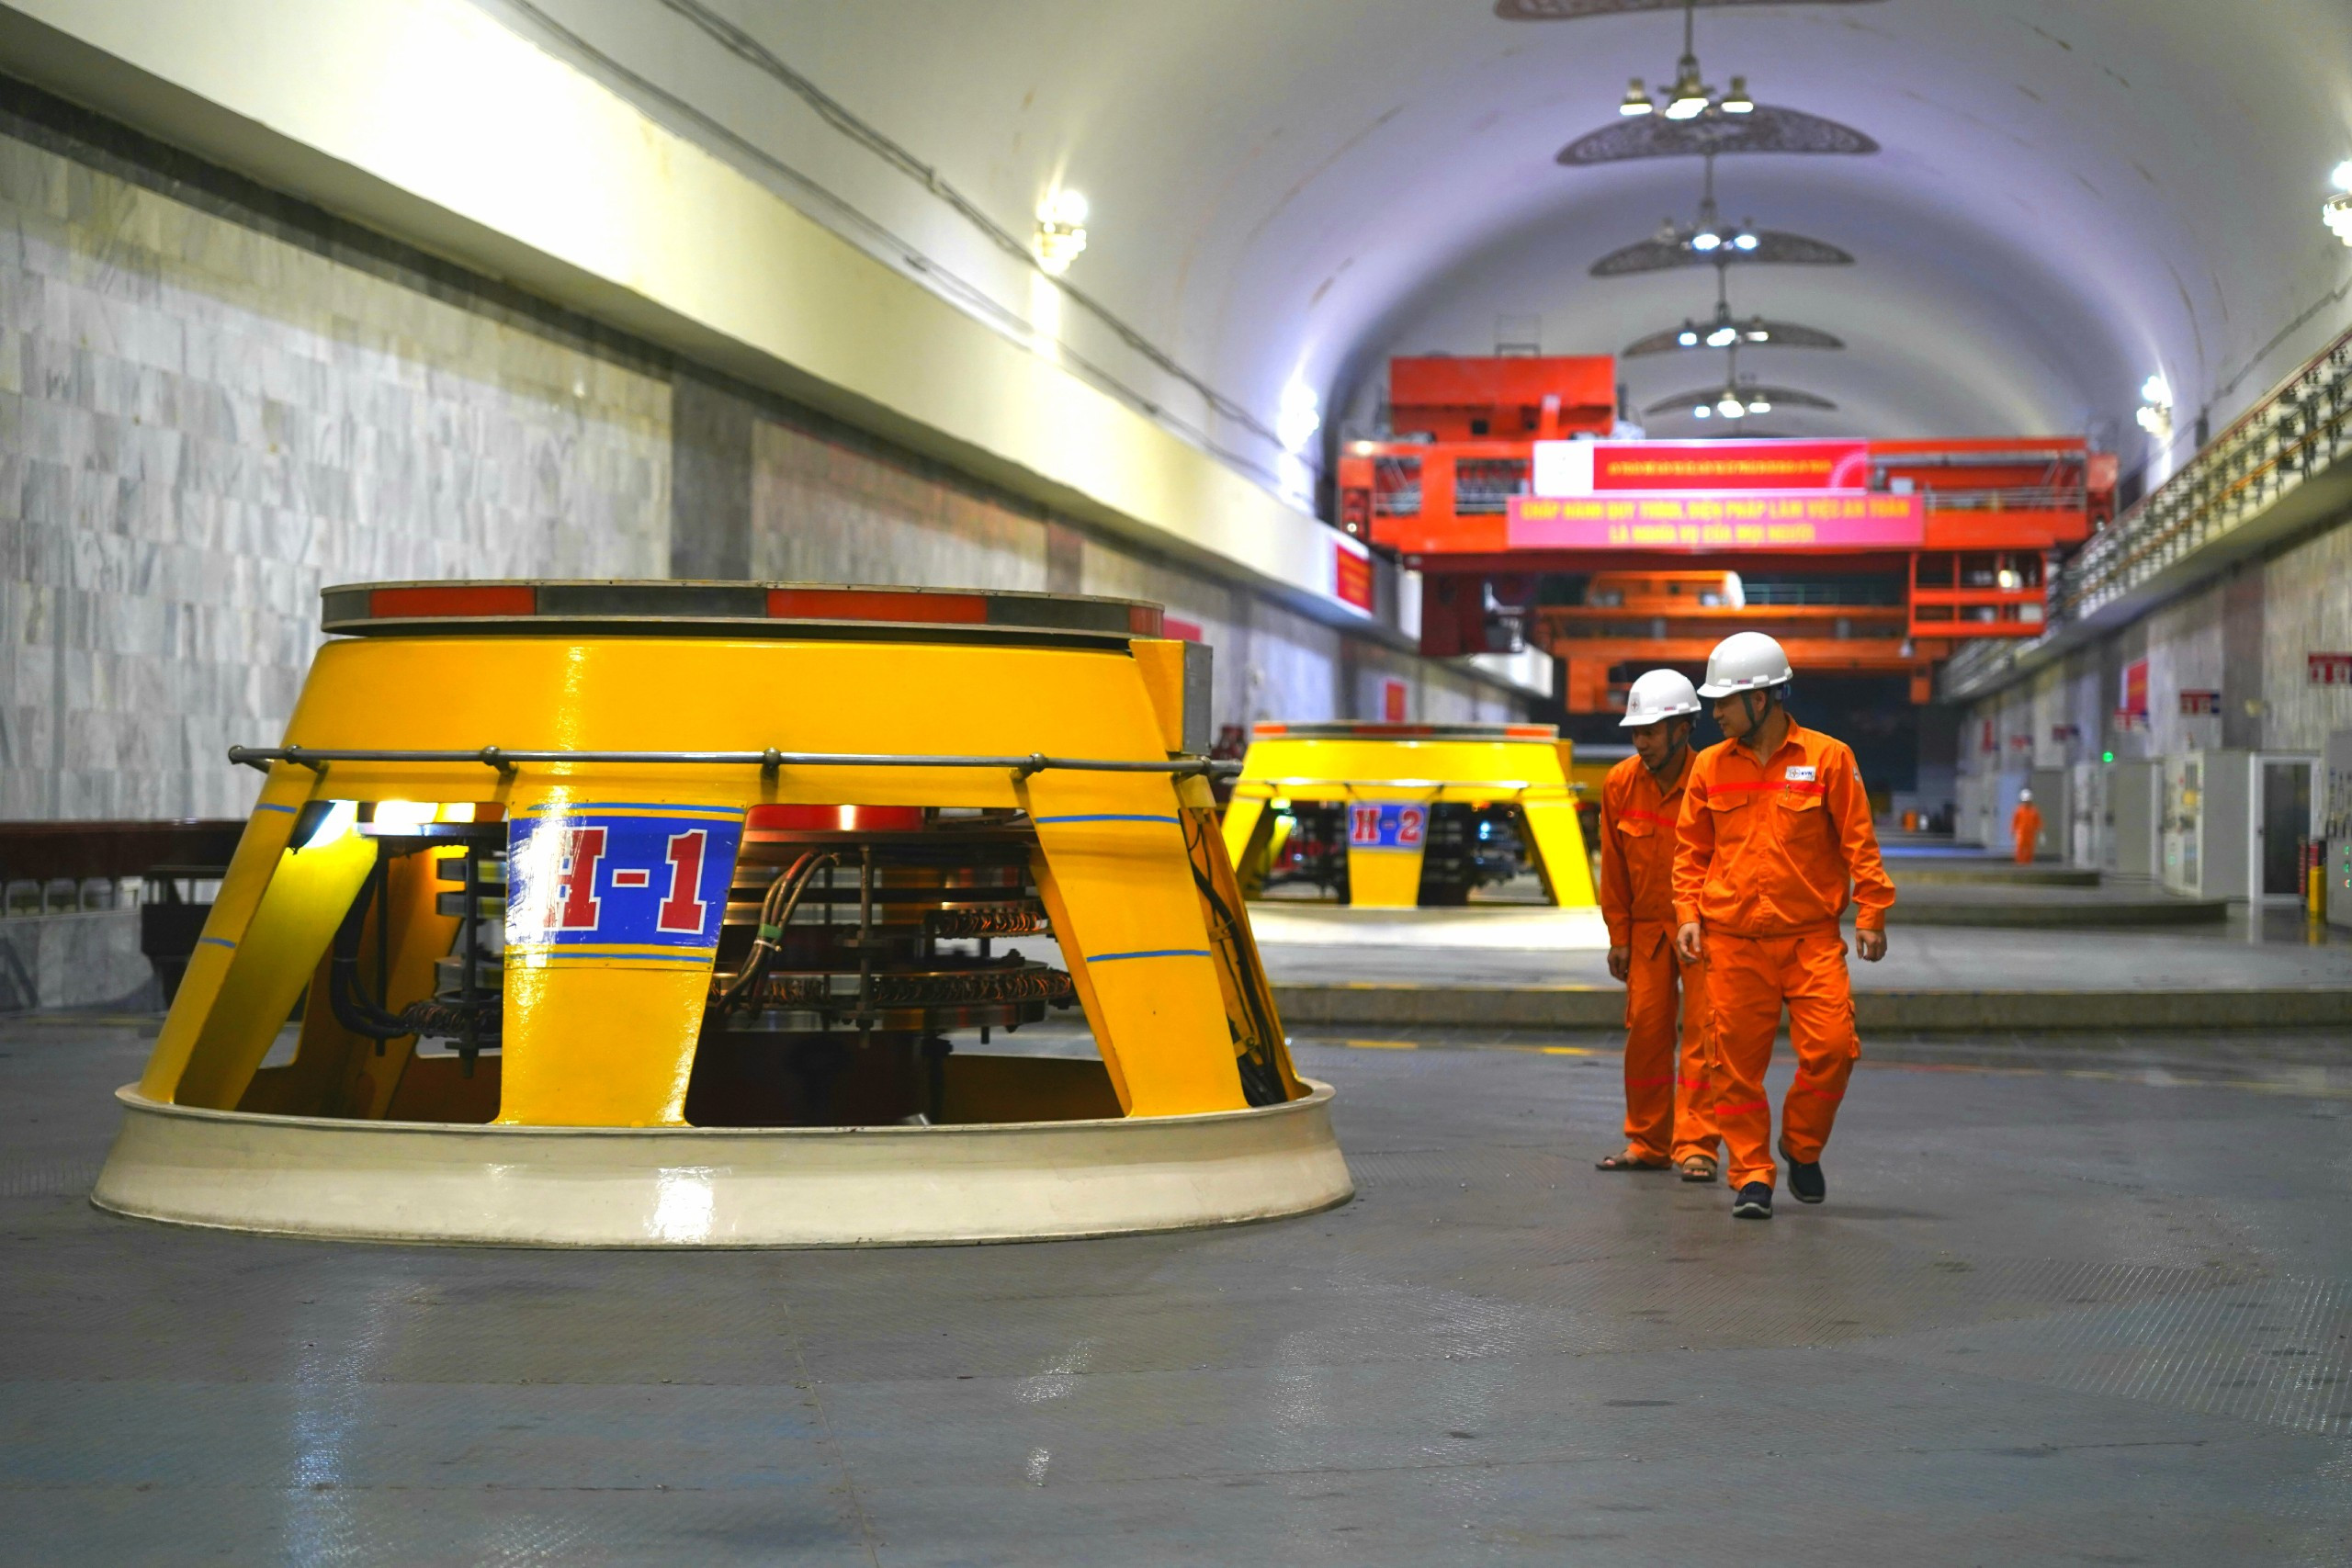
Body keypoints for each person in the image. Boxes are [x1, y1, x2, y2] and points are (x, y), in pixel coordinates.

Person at [1673, 632, 1896, 1221]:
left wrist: (1871, 911)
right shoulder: (1708, 767)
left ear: (1764, 699)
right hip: (1732, 942)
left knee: (1832, 1051)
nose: (1713, 712)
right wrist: (1687, 915)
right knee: (1733, 1067)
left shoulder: (1829, 759)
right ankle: (1751, 1175)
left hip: (1810, 941)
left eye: (1723, 702)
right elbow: (1690, 855)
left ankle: (1801, 1146)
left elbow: (1859, 844)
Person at [1594, 669, 1722, 1182]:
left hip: (1703, 929)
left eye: (1650, 732)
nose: (1640, 742)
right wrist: (1618, 936)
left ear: (1684, 728)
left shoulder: (1711, 779)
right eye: (1635, 733)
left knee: (1703, 1036)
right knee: (1645, 1031)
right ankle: (1647, 1141)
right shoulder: (1621, 783)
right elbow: (1614, 868)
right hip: (1646, 931)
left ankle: (1696, 1145)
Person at [2010, 788, 2042, 865]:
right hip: (2021, 833)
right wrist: (2013, 831)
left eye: (2028, 801)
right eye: (2025, 801)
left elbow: (2038, 821)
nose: (2026, 803)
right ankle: (2019, 863)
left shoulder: (2034, 811)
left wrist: (2041, 833)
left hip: (2030, 833)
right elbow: (2014, 821)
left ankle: (2028, 864)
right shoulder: (2018, 810)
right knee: (2019, 849)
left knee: (2030, 849)